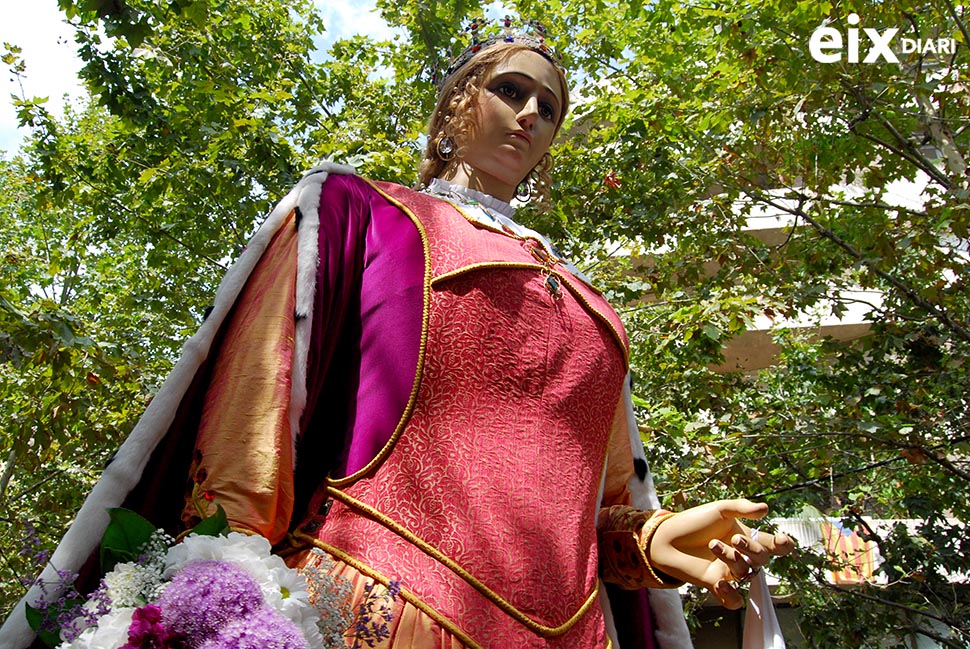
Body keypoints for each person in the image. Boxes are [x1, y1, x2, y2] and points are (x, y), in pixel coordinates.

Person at [1, 20, 792, 649]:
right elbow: (253, 428)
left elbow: (591, 512)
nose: (530, 114)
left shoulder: (594, 305)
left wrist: (657, 541)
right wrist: (226, 597)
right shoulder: (362, 219)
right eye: (511, 89)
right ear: (456, 103)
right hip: (379, 617)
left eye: (548, 107)